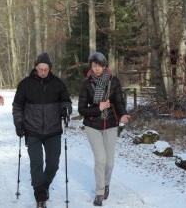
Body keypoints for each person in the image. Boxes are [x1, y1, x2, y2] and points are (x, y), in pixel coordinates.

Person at [12, 52, 72, 208]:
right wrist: (19, 123)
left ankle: (44, 185)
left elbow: (66, 101)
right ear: (36, 68)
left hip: (53, 130)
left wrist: (66, 110)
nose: (43, 72)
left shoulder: (58, 83)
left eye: (46, 69)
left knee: (53, 164)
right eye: (40, 69)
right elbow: (17, 107)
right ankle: (40, 197)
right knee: (36, 163)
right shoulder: (25, 84)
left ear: (50, 68)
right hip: (32, 130)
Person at [78, 52, 130, 206]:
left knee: (110, 163)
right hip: (92, 126)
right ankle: (99, 192)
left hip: (110, 124)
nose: (97, 68)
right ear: (91, 67)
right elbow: (82, 110)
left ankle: (106, 183)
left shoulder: (113, 81)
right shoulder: (86, 84)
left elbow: (119, 103)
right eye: (94, 66)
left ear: (104, 66)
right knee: (100, 159)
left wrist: (123, 115)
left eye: (99, 65)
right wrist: (98, 109)